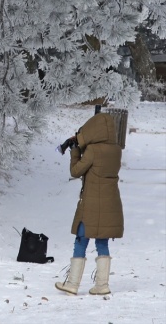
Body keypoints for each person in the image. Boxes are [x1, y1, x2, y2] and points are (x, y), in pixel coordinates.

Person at [55, 112, 123, 296]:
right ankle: (102, 285)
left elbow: (76, 171)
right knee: (102, 242)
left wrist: (75, 150)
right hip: (110, 205)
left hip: (92, 204)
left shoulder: (93, 151)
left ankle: (73, 283)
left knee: (81, 240)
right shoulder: (116, 149)